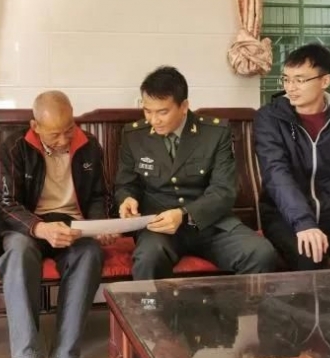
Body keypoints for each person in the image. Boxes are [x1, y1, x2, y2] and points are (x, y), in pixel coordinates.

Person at [115, 66, 276, 280]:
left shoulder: (215, 133)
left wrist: (184, 214)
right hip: (158, 226)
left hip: (211, 224)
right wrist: (127, 199)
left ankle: (234, 303)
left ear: (184, 106)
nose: (154, 120)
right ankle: (150, 305)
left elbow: (223, 191)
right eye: (147, 111)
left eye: (162, 112)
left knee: (261, 253)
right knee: (148, 259)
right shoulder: (134, 135)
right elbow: (126, 183)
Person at [0, 90, 115, 358]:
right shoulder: (15, 147)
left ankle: (65, 355)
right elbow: (5, 202)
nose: (64, 140)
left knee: (90, 253)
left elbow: (99, 195)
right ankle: (28, 356)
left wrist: (99, 225)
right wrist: (39, 228)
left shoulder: (89, 145)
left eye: (69, 129)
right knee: (19, 253)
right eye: (55, 134)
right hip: (29, 226)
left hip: (73, 225)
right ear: (35, 126)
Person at [254, 43, 330, 270]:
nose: (290, 87)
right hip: (285, 217)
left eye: (300, 80)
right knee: (311, 257)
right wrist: (304, 223)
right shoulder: (269, 118)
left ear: (325, 81)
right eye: (286, 79)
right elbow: (276, 174)